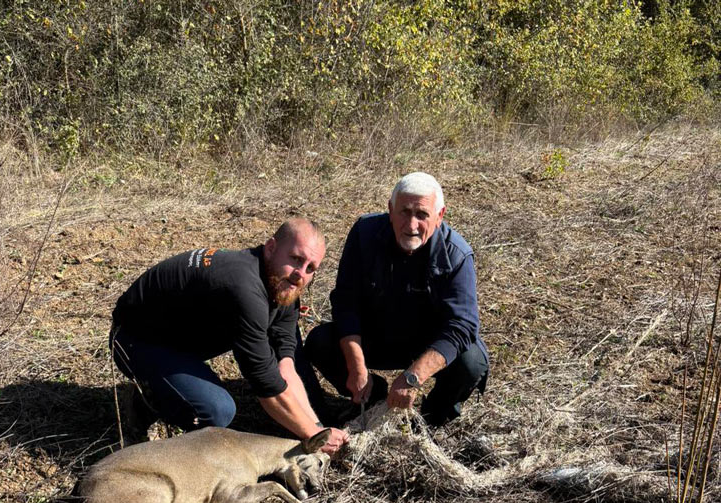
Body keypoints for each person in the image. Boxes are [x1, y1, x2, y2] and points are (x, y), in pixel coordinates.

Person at [111, 217, 349, 455]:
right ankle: (147, 404)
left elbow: (285, 365)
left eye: (311, 268)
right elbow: (265, 383)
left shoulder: (283, 285)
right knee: (216, 410)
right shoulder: (242, 287)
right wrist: (312, 435)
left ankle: (170, 382)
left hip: (177, 335)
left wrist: (316, 427)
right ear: (271, 248)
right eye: (296, 259)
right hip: (134, 338)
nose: (301, 274)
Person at [305, 172, 488, 426]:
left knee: (471, 362)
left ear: (440, 215)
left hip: (427, 343)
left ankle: (432, 416)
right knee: (320, 342)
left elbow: (462, 326)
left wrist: (413, 377)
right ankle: (372, 397)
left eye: (422, 214)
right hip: (376, 335)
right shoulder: (364, 234)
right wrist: (356, 365)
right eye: (404, 212)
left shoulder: (456, 254)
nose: (411, 225)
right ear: (390, 210)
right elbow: (346, 301)